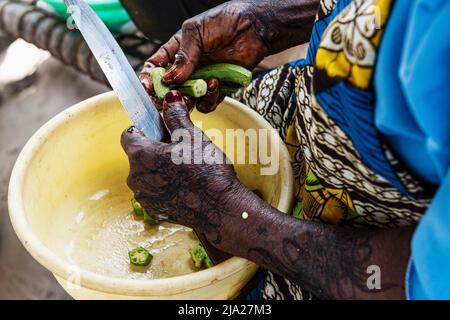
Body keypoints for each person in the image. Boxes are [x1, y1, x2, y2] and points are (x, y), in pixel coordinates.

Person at [121, 0, 450, 299]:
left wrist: (222, 212)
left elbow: (424, 283)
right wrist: (269, 20)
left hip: (357, 263)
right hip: (309, 107)